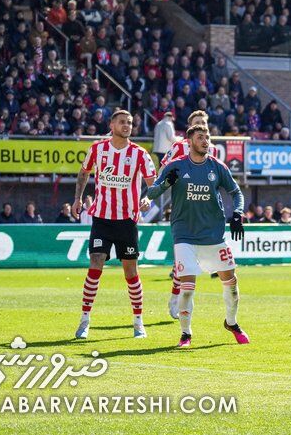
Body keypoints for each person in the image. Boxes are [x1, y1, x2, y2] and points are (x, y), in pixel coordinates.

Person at [141, 125, 248, 348]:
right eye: (200, 137)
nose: (205, 141)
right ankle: (185, 334)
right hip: (184, 235)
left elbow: (236, 192)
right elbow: (151, 193)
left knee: (232, 284)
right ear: (189, 142)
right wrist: (167, 184)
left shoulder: (217, 167)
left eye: (207, 137)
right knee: (187, 289)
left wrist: (238, 213)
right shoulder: (176, 166)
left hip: (213, 235)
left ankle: (231, 323)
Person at [72, 110, 157, 340]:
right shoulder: (98, 149)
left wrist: (148, 198)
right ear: (112, 125)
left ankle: (138, 322)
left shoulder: (139, 154)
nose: (127, 125)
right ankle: (85, 320)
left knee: (131, 271)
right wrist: (78, 198)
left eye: (130, 122)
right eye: (122, 122)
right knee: (96, 262)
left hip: (127, 220)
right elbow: (83, 172)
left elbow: (153, 182)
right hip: (101, 217)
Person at [161, 110, 222, 319]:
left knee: (194, 261)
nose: (201, 127)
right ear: (189, 128)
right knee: (183, 261)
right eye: (197, 123)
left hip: (203, 211)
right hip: (183, 210)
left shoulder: (211, 149)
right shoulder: (178, 147)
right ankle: (176, 299)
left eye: (204, 124)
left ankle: (182, 298)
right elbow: (164, 170)